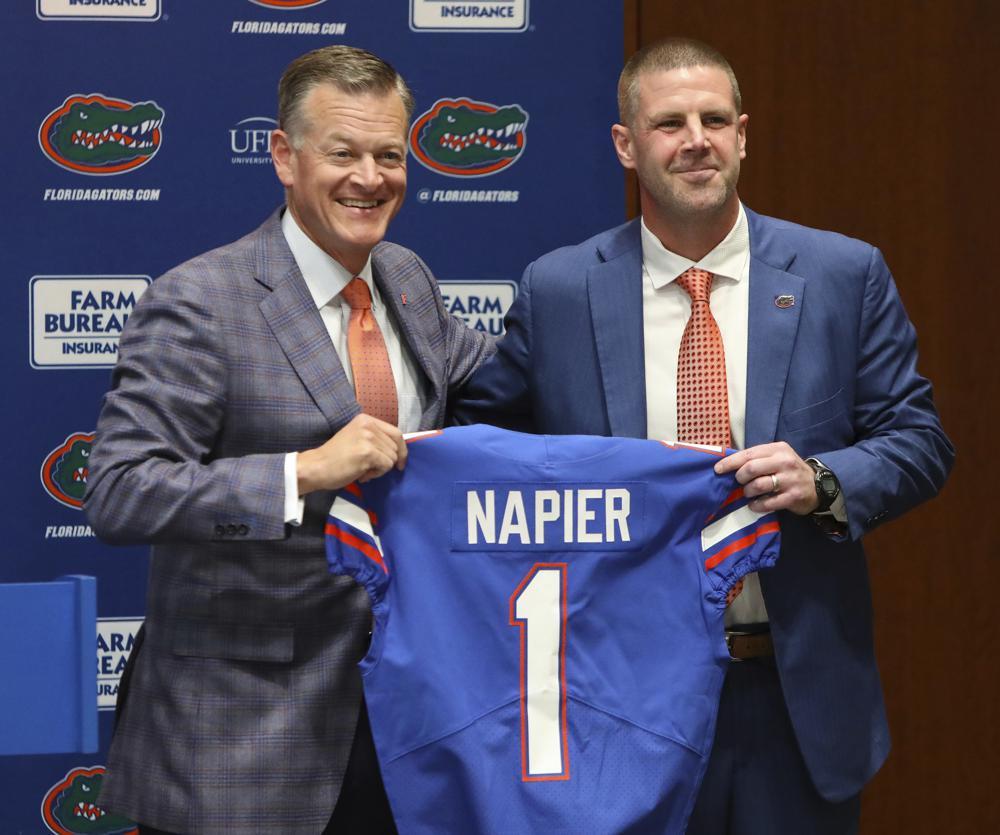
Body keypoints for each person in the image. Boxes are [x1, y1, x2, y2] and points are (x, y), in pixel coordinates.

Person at [453, 37, 954, 833]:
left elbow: (919, 439)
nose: (697, 140)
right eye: (669, 123)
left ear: (743, 135)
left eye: (715, 119)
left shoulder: (842, 275)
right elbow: (480, 448)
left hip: (791, 702)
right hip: (615, 700)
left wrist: (823, 479)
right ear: (626, 144)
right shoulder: (559, 290)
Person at [85, 45, 493, 835]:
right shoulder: (201, 300)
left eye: (388, 155)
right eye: (342, 153)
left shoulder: (406, 278)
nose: (369, 178)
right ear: (283, 156)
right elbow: (119, 490)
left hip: (401, 727)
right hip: (238, 744)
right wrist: (301, 471)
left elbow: (510, 381)